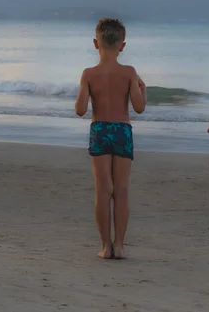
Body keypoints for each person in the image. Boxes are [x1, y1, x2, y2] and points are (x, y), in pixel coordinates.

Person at [74, 18, 147, 260]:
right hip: (122, 131)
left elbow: (80, 109)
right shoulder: (129, 72)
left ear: (96, 43)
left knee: (103, 190)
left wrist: (84, 89)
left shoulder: (88, 74)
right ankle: (121, 245)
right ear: (122, 46)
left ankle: (106, 246)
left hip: (100, 130)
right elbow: (138, 108)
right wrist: (142, 91)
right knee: (122, 190)